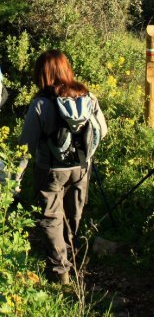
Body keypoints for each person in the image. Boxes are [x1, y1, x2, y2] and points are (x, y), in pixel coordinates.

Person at [18, 50, 107, 284]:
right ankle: (73, 253)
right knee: (73, 214)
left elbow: (25, 147)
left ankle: (61, 273)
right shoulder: (88, 97)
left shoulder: (41, 104)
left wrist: (13, 180)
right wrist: (87, 156)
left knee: (51, 218)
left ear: (43, 74)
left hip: (50, 170)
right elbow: (102, 131)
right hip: (81, 168)